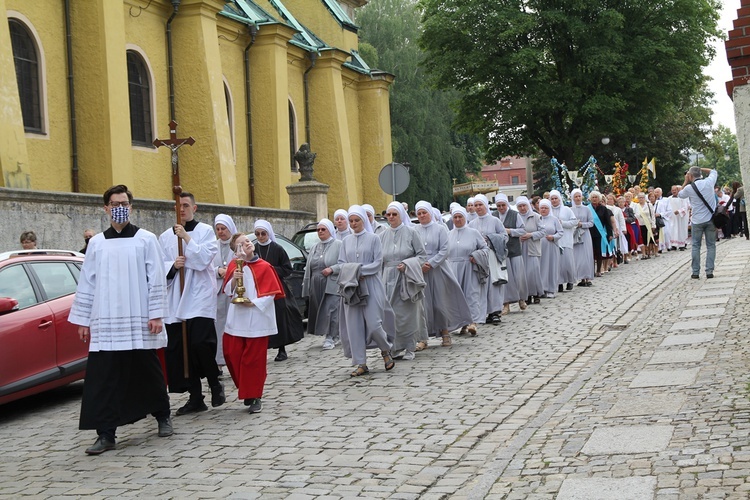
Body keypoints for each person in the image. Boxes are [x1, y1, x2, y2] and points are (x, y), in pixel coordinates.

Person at [68, 184, 172, 455]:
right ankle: (106, 433)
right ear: (106, 208)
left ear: (131, 206)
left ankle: (163, 416)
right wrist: (83, 320)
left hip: (139, 319)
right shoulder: (97, 244)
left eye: (124, 203)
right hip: (106, 322)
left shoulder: (146, 239)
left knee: (147, 371)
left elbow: (156, 279)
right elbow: (87, 282)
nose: (120, 208)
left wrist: (156, 314)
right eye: (115, 203)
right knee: (104, 378)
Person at [159, 192, 224, 416]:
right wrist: (173, 266)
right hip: (176, 296)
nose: (183, 210)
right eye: (179, 206)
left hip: (198, 294)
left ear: (194, 208)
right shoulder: (166, 236)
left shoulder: (205, 231)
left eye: (186, 205)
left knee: (199, 343)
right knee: (182, 350)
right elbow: (159, 266)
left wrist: (186, 238)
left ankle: (215, 382)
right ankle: (196, 396)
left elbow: (204, 259)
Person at [221, 233, 285, 414]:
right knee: (231, 353)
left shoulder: (265, 266)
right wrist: (235, 277)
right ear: (236, 251)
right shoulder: (234, 265)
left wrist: (254, 303)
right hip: (237, 317)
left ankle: (255, 395)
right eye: (241, 244)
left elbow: (272, 293)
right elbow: (227, 290)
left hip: (257, 318)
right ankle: (246, 388)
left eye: (248, 241)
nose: (247, 244)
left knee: (253, 360)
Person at [337, 205, 395, 377]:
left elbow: (378, 263)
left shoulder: (373, 238)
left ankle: (385, 350)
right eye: (351, 221)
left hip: (371, 284)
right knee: (354, 325)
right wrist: (353, 273)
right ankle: (361, 362)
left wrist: (358, 271)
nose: (354, 224)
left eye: (357, 220)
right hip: (352, 287)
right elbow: (341, 262)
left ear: (363, 220)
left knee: (374, 323)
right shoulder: (346, 241)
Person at [414, 200, 472, 347]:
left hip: (439, 270)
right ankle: (423, 337)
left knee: (440, 303)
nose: (421, 216)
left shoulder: (440, 228)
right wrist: (419, 264)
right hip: (421, 271)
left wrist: (432, 263)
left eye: (424, 212)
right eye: (419, 213)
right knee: (423, 305)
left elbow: (445, 250)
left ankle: (445, 332)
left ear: (430, 213)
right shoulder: (414, 230)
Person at [381, 201, 427, 359]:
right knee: (390, 314)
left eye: (395, 214)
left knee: (407, 314)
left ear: (401, 215)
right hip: (387, 279)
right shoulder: (382, 235)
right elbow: (379, 260)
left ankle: (410, 347)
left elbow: (422, 256)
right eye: (389, 214)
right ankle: (394, 347)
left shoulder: (412, 232)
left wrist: (407, 265)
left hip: (407, 279)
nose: (391, 217)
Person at [253, 220, 305, 361]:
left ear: (268, 233)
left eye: (263, 233)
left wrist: (270, 269)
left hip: (277, 286)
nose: (260, 236)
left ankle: (281, 349)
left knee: (279, 316)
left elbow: (287, 269)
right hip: (259, 287)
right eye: (257, 234)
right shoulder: (254, 249)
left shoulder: (277, 248)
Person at [301, 219, 342, 349]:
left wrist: (332, 269)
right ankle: (333, 335)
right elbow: (309, 267)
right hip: (316, 283)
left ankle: (330, 337)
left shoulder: (339, 244)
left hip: (332, 282)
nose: (320, 232)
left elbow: (345, 263)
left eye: (323, 229)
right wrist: (306, 285)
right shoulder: (314, 247)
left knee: (331, 310)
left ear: (330, 230)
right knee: (320, 310)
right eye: (318, 230)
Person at [447, 206, 488, 335]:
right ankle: (461, 323)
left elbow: (485, 249)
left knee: (472, 294)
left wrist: (476, 256)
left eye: (460, 217)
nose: (458, 219)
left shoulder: (473, 233)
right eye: (455, 217)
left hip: (470, 267)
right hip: (453, 268)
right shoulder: (448, 234)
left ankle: (473, 322)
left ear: (465, 218)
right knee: (457, 297)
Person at [468, 194, 508, 324]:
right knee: (481, 283)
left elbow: (504, 236)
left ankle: (495, 311)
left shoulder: (495, 221)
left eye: (480, 205)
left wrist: (490, 238)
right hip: (479, 257)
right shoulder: (472, 223)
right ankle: (482, 311)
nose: (478, 207)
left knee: (494, 284)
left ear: (485, 205)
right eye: (476, 205)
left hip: (492, 256)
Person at [679, 166, 718, 279]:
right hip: (710, 219)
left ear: (690, 176)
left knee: (696, 246)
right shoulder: (709, 182)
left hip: (697, 220)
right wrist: (700, 168)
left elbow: (680, 195)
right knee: (711, 246)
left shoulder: (689, 188)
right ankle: (709, 271)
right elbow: (713, 171)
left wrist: (686, 181)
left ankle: (695, 272)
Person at [212, 214, 237, 370]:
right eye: (218, 229)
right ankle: (219, 361)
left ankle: (234, 360)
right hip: (217, 292)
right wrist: (217, 271)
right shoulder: (213, 246)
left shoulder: (237, 246)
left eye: (223, 228)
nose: (221, 232)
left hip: (233, 291)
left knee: (233, 325)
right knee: (218, 327)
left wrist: (230, 271)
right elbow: (206, 267)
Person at [496, 193, 528, 314]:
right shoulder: (494, 216)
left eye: (503, 205)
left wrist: (510, 231)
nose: (501, 208)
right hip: (501, 252)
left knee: (518, 277)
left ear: (507, 204)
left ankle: (521, 299)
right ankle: (506, 303)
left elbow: (522, 230)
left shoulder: (515, 215)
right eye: (498, 205)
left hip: (514, 250)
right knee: (505, 279)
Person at [516, 197, 544, 304]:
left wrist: (530, 235)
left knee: (533, 272)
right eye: (520, 206)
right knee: (523, 274)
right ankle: (526, 295)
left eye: (524, 206)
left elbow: (543, 231)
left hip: (532, 247)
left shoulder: (536, 216)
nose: (522, 208)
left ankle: (536, 293)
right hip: (520, 248)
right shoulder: (516, 217)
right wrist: (518, 236)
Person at [549, 190, 578, 291]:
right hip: (554, 240)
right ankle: (559, 283)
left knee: (567, 262)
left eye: (555, 198)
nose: (554, 200)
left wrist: (563, 223)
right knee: (558, 263)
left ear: (559, 199)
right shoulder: (549, 211)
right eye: (552, 199)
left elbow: (574, 221)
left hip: (565, 238)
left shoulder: (566, 210)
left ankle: (570, 280)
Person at [538, 199, 563, 297]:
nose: (543, 210)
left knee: (551, 267)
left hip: (551, 246)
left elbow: (560, 232)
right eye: (542, 208)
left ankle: (551, 289)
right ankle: (541, 289)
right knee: (541, 267)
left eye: (545, 208)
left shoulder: (554, 219)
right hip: (539, 247)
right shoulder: (537, 219)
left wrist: (553, 237)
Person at [570, 189, 594, 286]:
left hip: (585, 234)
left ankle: (588, 277)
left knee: (586, 255)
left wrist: (582, 224)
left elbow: (591, 222)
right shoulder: (570, 210)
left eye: (579, 196)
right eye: (576, 196)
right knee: (578, 257)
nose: (578, 198)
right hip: (575, 235)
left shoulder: (587, 209)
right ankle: (581, 278)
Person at [589, 191, 614, 276]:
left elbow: (608, 222)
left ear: (599, 199)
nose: (594, 199)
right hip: (590, 233)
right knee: (590, 252)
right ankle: (591, 270)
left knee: (599, 252)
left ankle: (599, 270)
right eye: (593, 197)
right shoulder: (588, 208)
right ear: (590, 199)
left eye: (596, 197)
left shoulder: (603, 209)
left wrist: (610, 234)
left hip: (600, 234)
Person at [634, 193, 656, 259]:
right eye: (639, 197)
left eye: (642, 197)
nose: (641, 199)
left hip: (648, 224)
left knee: (648, 238)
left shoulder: (649, 205)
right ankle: (644, 253)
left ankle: (648, 252)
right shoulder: (636, 206)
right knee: (642, 239)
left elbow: (652, 215)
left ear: (644, 198)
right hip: (639, 224)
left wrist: (653, 225)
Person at [668, 185, 690, 250]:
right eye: (672, 190)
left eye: (675, 190)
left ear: (678, 191)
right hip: (672, 217)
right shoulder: (669, 198)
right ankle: (673, 245)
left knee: (681, 230)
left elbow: (686, 207)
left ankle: (682, 245)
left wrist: (679, 211)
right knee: (673, 230)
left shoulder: (683, 198)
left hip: (681, 218)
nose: (674, 191)